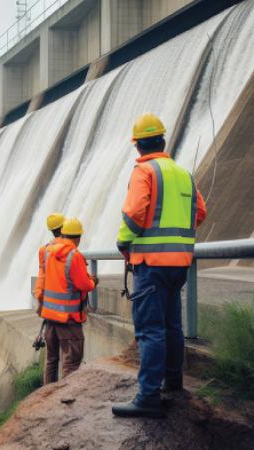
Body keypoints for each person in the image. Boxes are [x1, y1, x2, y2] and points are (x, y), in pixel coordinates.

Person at [112, 113, 207, 418]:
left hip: (151, 265)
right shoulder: (182, 174)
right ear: (163, 141)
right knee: (172, 326)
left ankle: (148, 397)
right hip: (179, 264)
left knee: (150, 331)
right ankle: (174, 382)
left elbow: (134, 213)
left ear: (137, 145)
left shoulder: (144, 171)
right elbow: (200, 211)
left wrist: (123, 242)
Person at [41, 217, 98, 385]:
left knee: (52, 359)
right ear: (77, 237)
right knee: (71, 363)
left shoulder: (49, 252)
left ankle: (46, 395)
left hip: (50, 316)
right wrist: (93, 281)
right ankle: (66, 399)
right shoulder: (74, 256)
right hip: (69, 319)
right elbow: (83, 284)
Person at [33, 213, 65, 312]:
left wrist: (39, 296)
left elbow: (42, 276)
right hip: (68, 304)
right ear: (64, 227)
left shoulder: (44, 250)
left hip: (50, 302)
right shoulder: (69, 248)